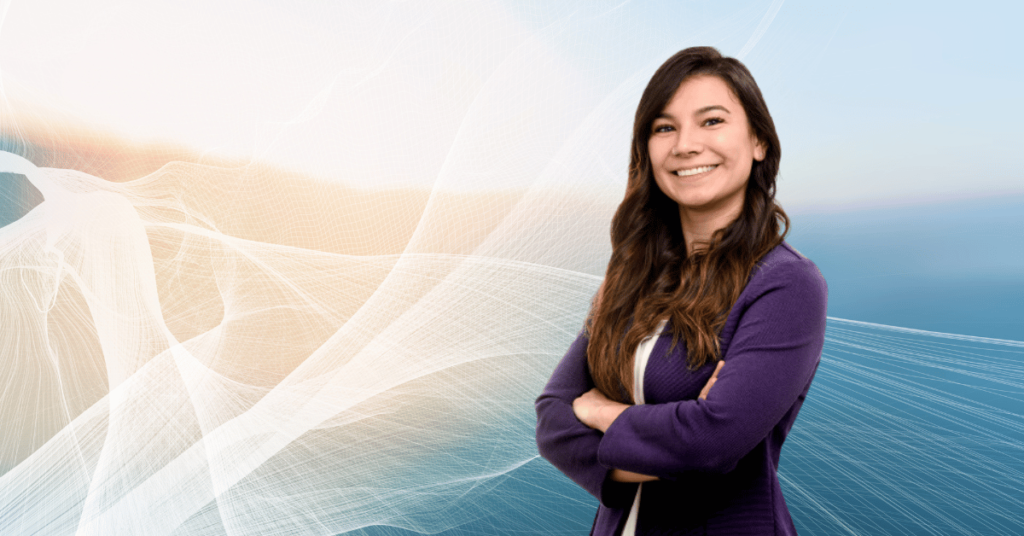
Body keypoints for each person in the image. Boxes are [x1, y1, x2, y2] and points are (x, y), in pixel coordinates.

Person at [534, 46, 827, 535]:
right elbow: (553, 422)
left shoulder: (787, 285)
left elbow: (712, 444)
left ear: (758, 141)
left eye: (711, 121)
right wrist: (678, 430)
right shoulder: (629, 276)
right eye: (664, 127)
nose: (685, 145)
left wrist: (602, 411)